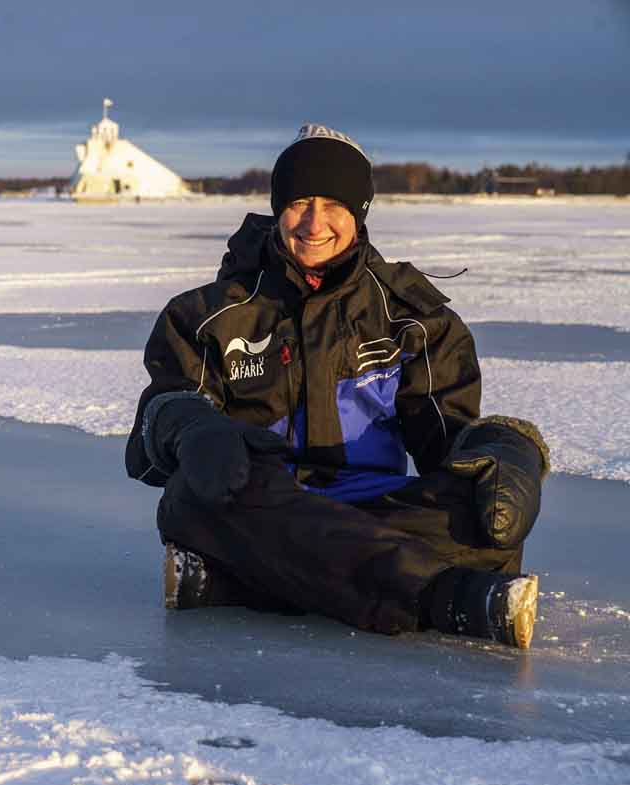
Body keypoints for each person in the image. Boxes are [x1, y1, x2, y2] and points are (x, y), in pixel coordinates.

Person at [125, 124, 550, 648]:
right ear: (278, 207)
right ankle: (447, 597)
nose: (315, 223)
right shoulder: (208, 316)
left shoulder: (415, 321)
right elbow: (147, 457)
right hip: (260, 502)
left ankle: (239, 584)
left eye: (334, 205)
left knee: (484, 519)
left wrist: (509, 448)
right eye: (300, 202)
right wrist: (186, 425)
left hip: (367, 510)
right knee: (194, 498)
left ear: (361, 210)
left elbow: (449, 444)